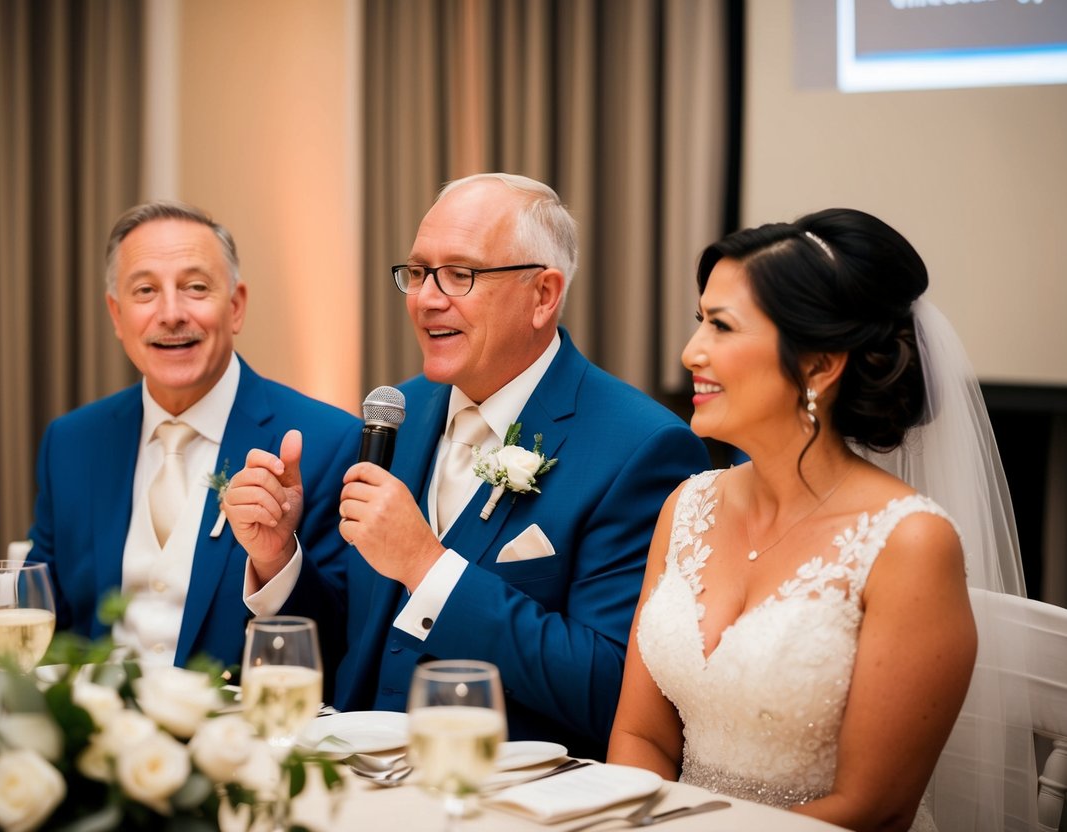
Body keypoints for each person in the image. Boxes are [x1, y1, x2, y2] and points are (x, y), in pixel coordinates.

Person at [224, 173, 709, 759]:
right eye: (418, 272)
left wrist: (428, 566)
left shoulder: (642, 446)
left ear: (544, 295)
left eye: (461, 274)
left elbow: (610, 689)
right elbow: (357, 641)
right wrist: (279, 558)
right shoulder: (394, 420)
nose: (427, 298)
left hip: (508, 798)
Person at [606, 208, 1025, 832]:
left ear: (819, 366)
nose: (691, 351)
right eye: (700, 322)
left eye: (721, 327)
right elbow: (642, 735)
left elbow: (874, 809)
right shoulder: (687, 505)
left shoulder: (909, 543)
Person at [27, 200, 359, 668]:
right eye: (145, 291)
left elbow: (345, 646)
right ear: (117, 315)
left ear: (236, 306)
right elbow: (41, 615)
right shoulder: (72, 442)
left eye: (195, 288)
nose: (171, 313)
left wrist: (277, 559)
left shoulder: (326, 441)